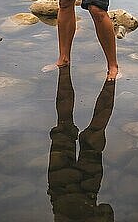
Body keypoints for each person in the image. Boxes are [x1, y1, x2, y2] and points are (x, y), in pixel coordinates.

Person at [47, 66, 115, 221]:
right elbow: (107, 210)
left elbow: (107, 211)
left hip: (65, 195)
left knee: (65, 137)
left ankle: (64, 61)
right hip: (67, 195)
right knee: (81, 141)